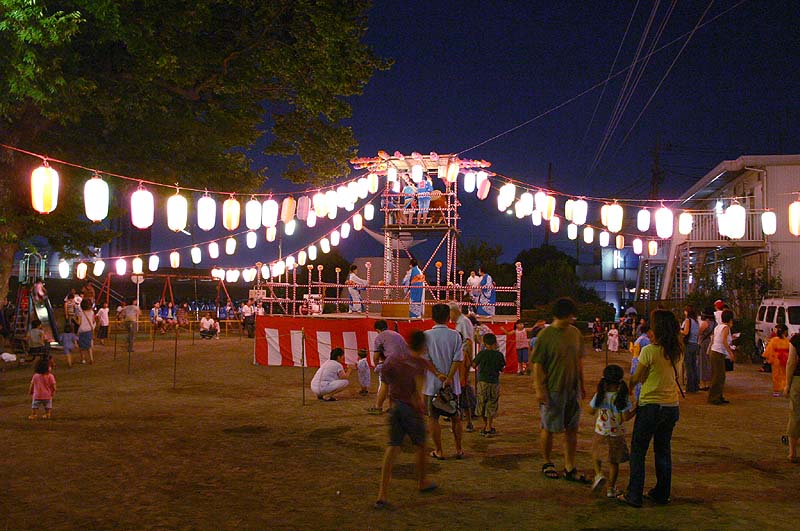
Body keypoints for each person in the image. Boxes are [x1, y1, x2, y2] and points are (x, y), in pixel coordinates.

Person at [618, 310, 683, 508]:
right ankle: (662, 493)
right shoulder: (677, 351)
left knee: (638, 450)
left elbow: (637, 377)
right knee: (663, 450)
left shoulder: (649, 351)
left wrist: (628, 391)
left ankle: (634, 494)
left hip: (650, 407)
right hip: (671, 406)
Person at [374, 330, 438, 509]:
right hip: (410, 410)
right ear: (423, 346)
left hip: (395, 408)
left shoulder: (394, 360)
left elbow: (385, 383)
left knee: (392, 447)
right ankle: (422, 481)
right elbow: (417, 392)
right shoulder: (419, 363)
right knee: (421, 445)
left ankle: (382, 493)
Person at [533, 297, 587, 482]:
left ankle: (569, 466)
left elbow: (578, 361)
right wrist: (539, 389)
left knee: (572, 429)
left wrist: (582, 384)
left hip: (572, 389)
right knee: (548, 427)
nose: (573, 318)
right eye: (571, 315)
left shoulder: (575, 333)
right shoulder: (545, 335)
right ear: (565, 315)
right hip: (553, 389)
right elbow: (538, 365)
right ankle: (547, 462)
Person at [424, 303, 464, 460]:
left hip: (431, 384)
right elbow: (457, 359)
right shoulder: (455, 335)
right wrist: (448, 377)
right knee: (455, 417)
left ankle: (439, 450)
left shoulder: (426, 335)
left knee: (433, 418)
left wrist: (438, 375)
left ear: (432, 317)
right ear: (448, 317)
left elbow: (425, 360)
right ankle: (459, 449)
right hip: (452, 385)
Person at [589, 364, 636, 499]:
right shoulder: (622, 397)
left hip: (601, 431)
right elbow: (625, 417)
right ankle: (611, 488)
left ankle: (598, 474)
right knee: (614, 462)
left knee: (596, 454)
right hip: (616, 434)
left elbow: (591, 411)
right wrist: (636, 408)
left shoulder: (600, 395)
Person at [473, 333, 506, 437]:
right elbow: (502, 368)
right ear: (495, 342)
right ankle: (489, 426)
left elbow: (474, 364)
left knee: (482, 403)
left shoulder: (482, 354)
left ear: (485, 343)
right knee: (492, 403)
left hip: (482, 381)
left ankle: (485, 425)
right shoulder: (499, 355)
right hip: (494, 382)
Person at [450, 302, 476, 432]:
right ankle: (467, 417)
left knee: (462, 389)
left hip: (462, 360)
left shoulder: (463, 322)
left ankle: (466, 417)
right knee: (463, 388)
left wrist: (470, 360)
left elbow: (468, 341)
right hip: (461, 359)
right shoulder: (461, 322)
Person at [708, 309, 734, 405]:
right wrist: (730, 353)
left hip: (715, 351)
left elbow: (714, 339)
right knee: (718, 376)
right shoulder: (725, 328)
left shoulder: (718, 327)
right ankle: (714, 397)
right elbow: (724, 340)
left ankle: (717, 395)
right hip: (718, 352)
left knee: (718, 375)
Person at [784, 334, 800, 463]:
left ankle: (792, 452)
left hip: (798, 380)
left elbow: (791, 362)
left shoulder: (796, 339)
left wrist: (787, 384)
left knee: (795, 414)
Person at [764, 324, 790, 397]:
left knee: (776, 375)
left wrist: (769, 358)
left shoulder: (774, 340)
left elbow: (769, 349)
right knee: (785, 374)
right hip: (785, 357)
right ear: (785, 332)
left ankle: (776, 390)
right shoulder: (788, 341)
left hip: (776, 358)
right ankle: (785, 388)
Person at [680, 306, 701, 393]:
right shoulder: (696, 321)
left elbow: (686, 332)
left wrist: (679, 330)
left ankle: (690, 387)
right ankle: (696, 386)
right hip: (695, 344)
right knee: (694, 366)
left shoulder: (688, 320)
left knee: (688, 366)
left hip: (688, 344)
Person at [697, 308, 717, 391]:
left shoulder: (705, 323)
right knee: (709, 363)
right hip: (712, 343)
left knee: (703, 363)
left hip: (704, 343)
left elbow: (699, 332)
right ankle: (709, 382)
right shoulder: (715, 323)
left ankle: (703, 384)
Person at [630, 325, 651, 401]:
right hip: (641, 364)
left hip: (635, 363)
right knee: (641, 386)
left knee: (638, 387)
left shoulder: (639, 339)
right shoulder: (646, 340)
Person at [76, 298, 96, 364]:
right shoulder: (92, 312)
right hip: (89, 330)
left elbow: (79, 322)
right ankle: (91, 359)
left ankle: (83, 360)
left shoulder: (80, 313)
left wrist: (74, 319)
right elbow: (93, 321)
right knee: (89, 346)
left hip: (82, 330)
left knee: (81, 347)